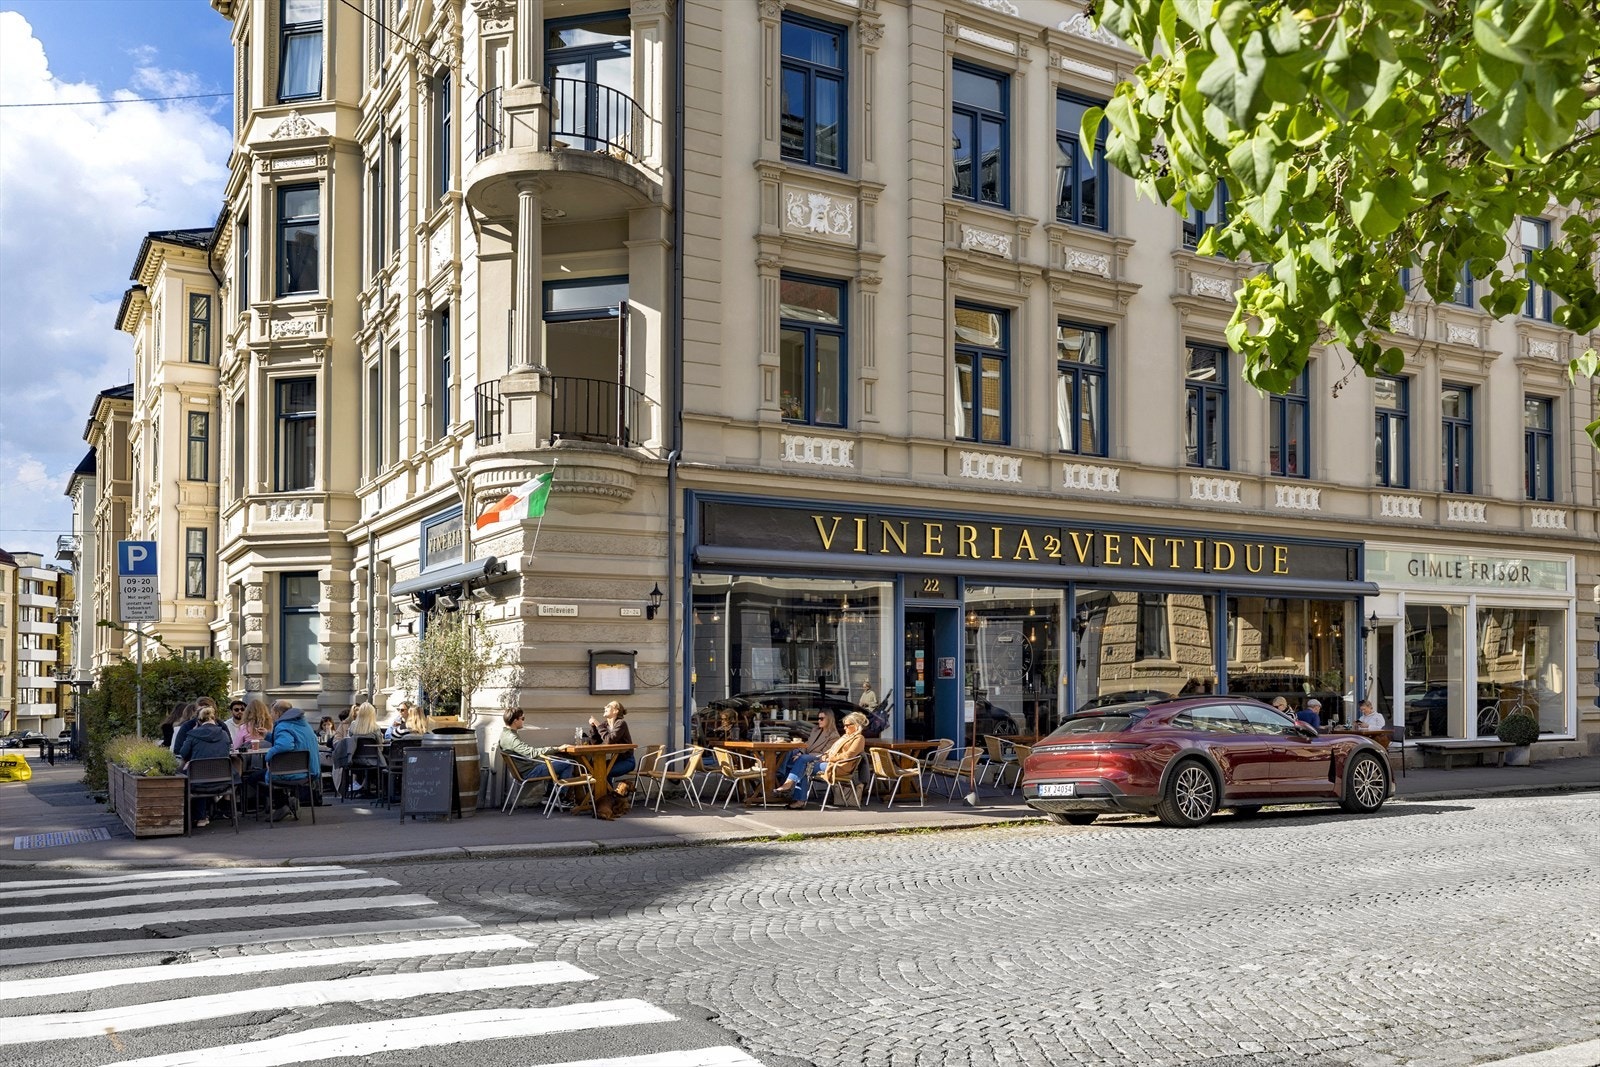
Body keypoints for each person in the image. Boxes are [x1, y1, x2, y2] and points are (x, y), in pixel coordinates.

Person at [773, 711, 867, 810]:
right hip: (829, 762)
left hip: (839, 767)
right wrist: (825, 756)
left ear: (856, 725)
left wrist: (828, 758)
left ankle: (791, 788)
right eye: (844, 725)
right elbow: (829, 750)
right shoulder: (844, 737)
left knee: (803, 762)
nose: (844, 728)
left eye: (847, 725)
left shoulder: (859, 738)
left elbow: (848, 756)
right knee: (801, 762)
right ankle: (796, 796)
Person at [248, 703, 321, 822]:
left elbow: (285, 745)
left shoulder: (283, 725)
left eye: (272, 712)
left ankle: (282, 805)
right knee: (267, 774)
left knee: (253, 778)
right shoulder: (303, 724)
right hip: (308, 770)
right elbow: (290, 739)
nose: (271, 716)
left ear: (278, 713)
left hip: (290, 772)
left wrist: (268, 756)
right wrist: (267, 735)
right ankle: (288, 801)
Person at [498, 709, 581, 807]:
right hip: (529, 772)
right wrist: (557, 748)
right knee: (567, 764)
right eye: (522, 718)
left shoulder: (505, 734)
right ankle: (559, 798)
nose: (523, 721)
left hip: (523, 769)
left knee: (556, 762)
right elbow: (531, 753)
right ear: (515, 721)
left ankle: (549, 796)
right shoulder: (512, 738)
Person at [175, 707, 236, 827]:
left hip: (198, 781)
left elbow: (183, 753)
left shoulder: (193, 734)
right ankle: (213, 807)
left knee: (188, 776)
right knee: (205, 774)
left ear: (198, 721)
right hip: (223, 781)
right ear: (214, 719)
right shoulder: (224, 734)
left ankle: (199, 817)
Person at [774, 710, 840, 788]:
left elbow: (824, 753)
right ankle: (779, 773)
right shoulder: (816, 730)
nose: (819, 721)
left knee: (795, 761)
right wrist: (800, 753)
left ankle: (779, 779)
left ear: (829, 719)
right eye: (818, 718)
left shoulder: (834, 736)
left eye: (821, 719)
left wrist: (803, 756)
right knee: (789, 752)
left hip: (817, 758)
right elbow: (807, 744)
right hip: (806, 755)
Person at [330, 702, 383, 795]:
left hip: (354, 759)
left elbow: (350, 741)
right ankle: (379, 790)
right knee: (384, 762)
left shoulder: (353, 726)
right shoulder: (375, 728)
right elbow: (380, 746)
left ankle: (357, 786)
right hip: (372, 760)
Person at [582, 701, 636, 789]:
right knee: (593, 769)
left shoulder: (621, 723)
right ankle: (602, 798)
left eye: (608, 706)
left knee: (602, 772)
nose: (605, 707)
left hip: (627, 761)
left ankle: (608, 797)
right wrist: (593, 727)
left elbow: (610, 740)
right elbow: (595, 743)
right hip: (613, 761)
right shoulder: (604, 725)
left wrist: (597, 725)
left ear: (616, 711)